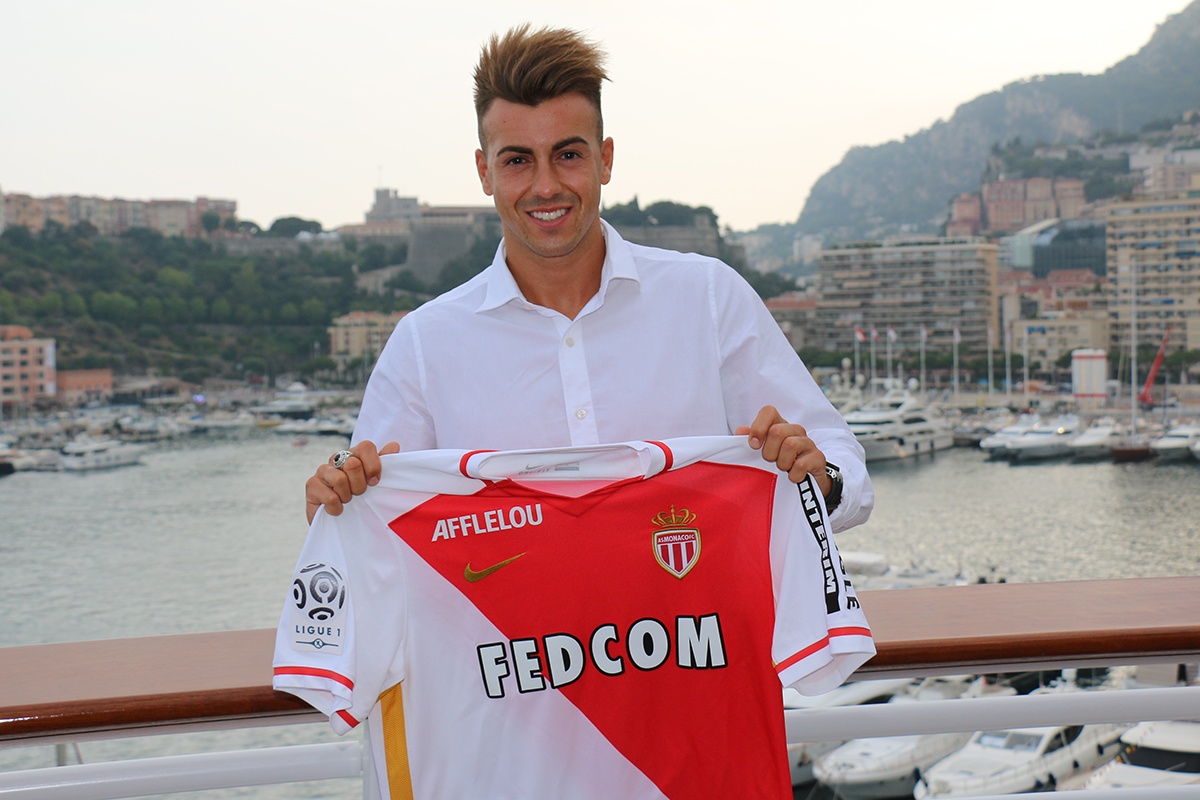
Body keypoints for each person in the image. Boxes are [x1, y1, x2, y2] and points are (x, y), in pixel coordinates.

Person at [304, 23, 872, 532]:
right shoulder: (424, 344)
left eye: (568, 155)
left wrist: (820, 477)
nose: (546, 186)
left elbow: (841, 465)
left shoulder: (708, 298)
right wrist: (335, 504)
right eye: (517, 160)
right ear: (485, 172)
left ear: (606, 159)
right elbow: (374, 524)